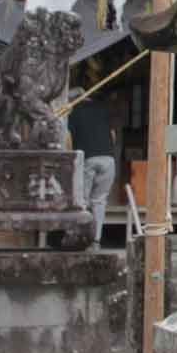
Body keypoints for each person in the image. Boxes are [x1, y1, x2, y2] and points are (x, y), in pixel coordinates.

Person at [67, 89, 116, 250]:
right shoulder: (103, 109)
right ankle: (96, 239)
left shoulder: (73, 114)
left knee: (83, 201)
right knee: (100, 201)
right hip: (108, 159)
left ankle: (79, 236)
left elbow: (68, 139)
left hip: (88, 158)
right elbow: (113, 135)